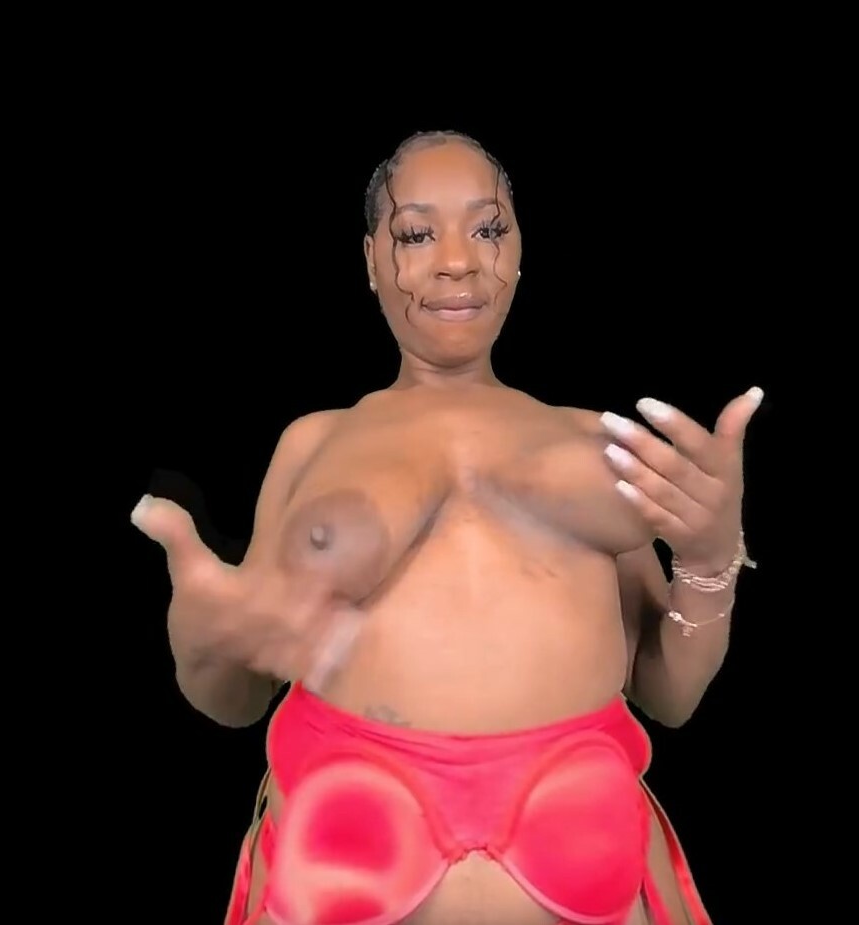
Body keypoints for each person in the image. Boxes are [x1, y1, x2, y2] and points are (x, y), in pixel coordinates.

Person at [131, 130, 761, 925]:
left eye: (487, 228)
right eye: (416, 234)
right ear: (371, 260)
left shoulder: (596, 444)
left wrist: (709, 556)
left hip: (589, 855)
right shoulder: (313, 442)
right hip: (344, 860)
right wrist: (201, 644)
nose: (457, 261)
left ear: (519, 250)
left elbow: (667, 693)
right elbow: (235, 696)